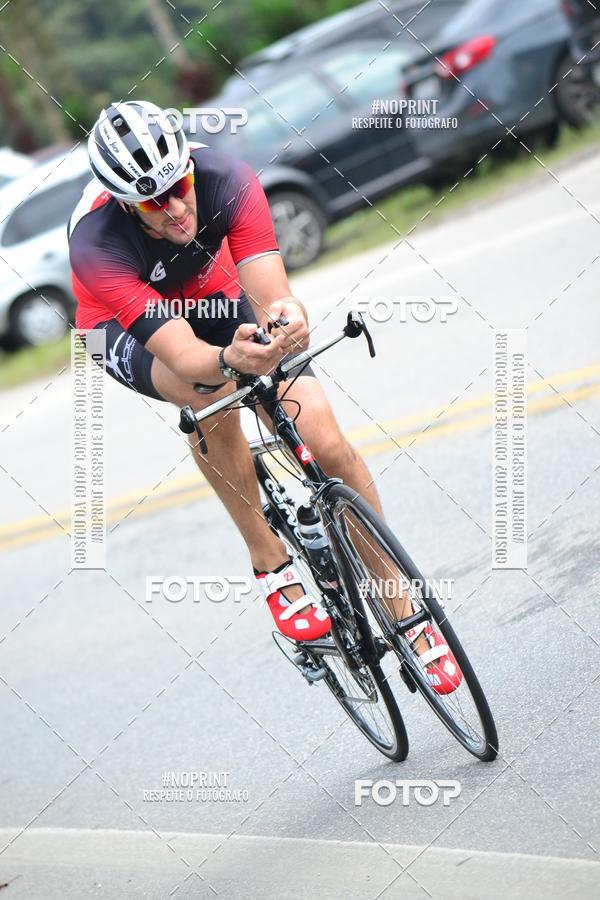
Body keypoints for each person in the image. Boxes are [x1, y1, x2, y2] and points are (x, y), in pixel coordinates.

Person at [68, 100, 461, 693]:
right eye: (153, 201)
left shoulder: (228, 178)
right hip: (120, 325)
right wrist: (230, 357)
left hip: (211, 287)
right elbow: (185, 355)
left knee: (325, 441)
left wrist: (286, 322)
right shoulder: (97, 246)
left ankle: (400, 601)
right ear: (125, 202)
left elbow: (273, 294)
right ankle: (269, 561)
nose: (175, 208)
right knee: (208, 388)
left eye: (179, 187)